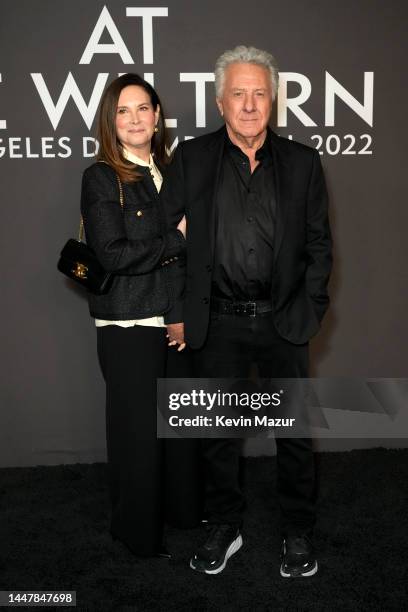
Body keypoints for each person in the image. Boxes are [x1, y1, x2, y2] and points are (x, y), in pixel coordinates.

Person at [162, 46, 332, 576]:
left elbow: (320, 247)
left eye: (260, 92)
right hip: (219, 319)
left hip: (284, 318)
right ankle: (224, 525)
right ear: (220, 101)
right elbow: (169, 244)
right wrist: (176, 310)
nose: (250, 103)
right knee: (217, 432)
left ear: (273, 99)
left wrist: (310, 310)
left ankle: (298, 531)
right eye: (239, 93)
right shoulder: (190, 159)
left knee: (295, 432)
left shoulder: (303, 162)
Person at [80, 73, 199, 558]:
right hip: (128, 324)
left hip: (175, 320)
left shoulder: (172, 170)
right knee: (138, 437)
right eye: (123, 110)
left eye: (143, 108)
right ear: (111, 120)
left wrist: (183, 313)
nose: (134, 118)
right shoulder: (102, 176)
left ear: (156, 116)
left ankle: (184, 517)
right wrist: (178, 238)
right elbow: (111, 253)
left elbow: (190, 258)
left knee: (180, 434)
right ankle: (137, 534)